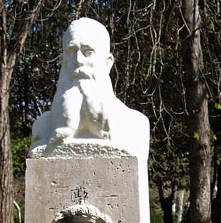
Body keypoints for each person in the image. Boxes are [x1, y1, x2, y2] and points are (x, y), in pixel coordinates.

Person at [30, 18, 149, 158]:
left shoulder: (135, 126)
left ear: (107, 63)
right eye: (71, 51)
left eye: (88, 52)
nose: (78, 60)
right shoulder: (42, 128)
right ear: (62, 61)